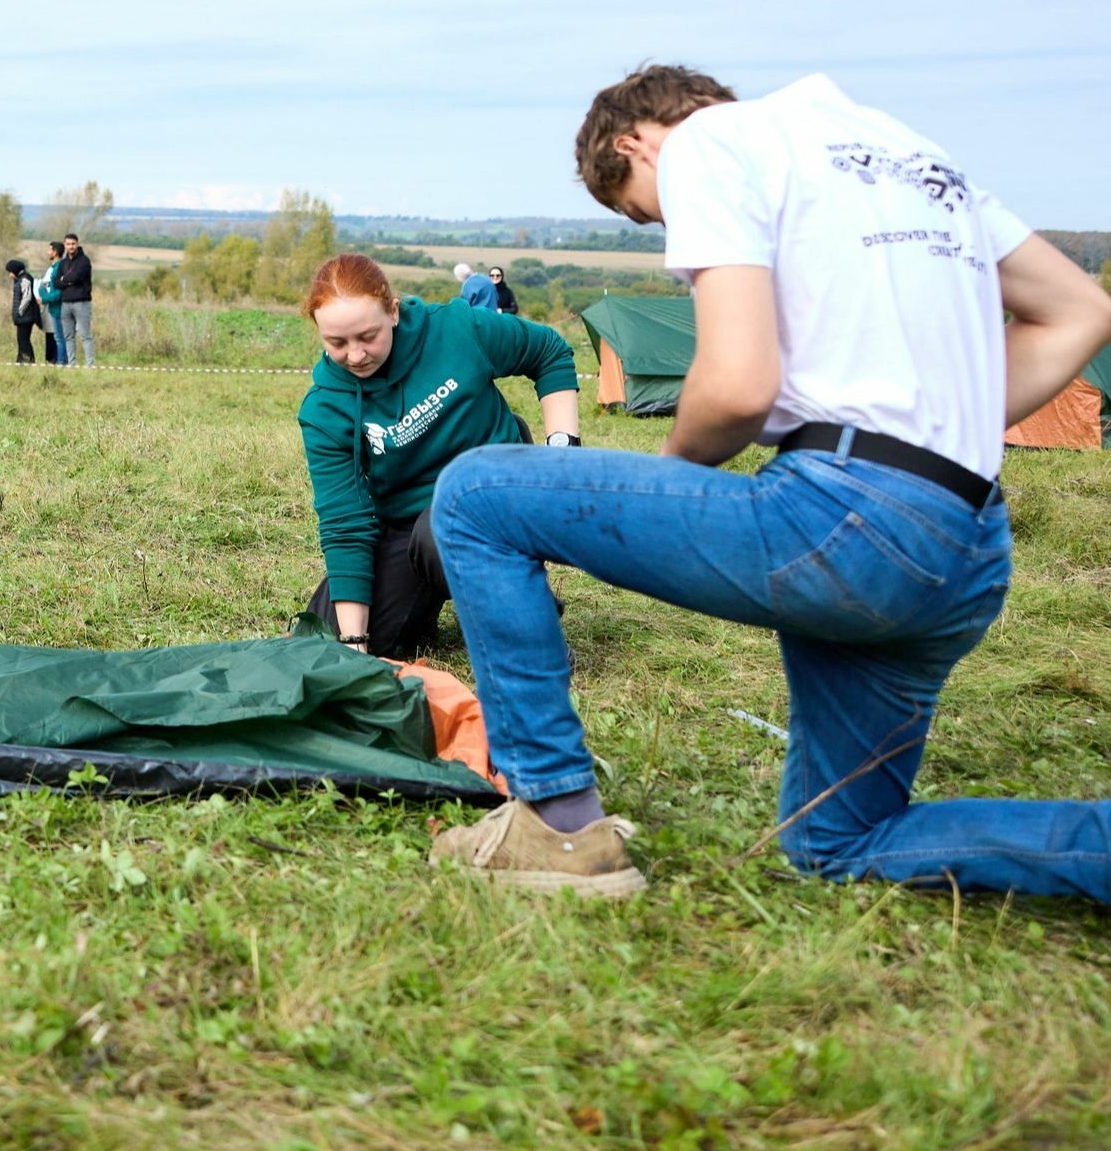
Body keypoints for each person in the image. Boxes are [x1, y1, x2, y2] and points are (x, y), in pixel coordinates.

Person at [429, 65, 1111, 901]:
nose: (671, 224)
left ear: (632, 145)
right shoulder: (908, 151)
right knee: (837, 838)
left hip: (850, 523)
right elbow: (1081, 312)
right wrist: (939, 423)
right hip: (965, 546)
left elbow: (739, 385)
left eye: (649, 210)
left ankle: (558, 828)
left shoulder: (713, 143)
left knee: (476, 495)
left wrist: (662, 495)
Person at [297, 253, 580, 659]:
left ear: (393, 312)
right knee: (325, 641)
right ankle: (430, 596)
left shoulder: (458, 329)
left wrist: (562, 453)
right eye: (337, 343)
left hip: (489, 486)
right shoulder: (325, 410)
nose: (356, 355)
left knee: (445, 526)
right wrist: (355, 644)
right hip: (406, 522)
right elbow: (347, 523)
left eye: (367, 336)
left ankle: (532, 632)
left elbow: (549, 352)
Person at [57, 233, 95, 366]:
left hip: (81, 302)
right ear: (65, 245)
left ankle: (90, 365)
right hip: (65, 303)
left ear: (77, 244)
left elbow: (76, 277)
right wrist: (67, 280)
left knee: (85, 335)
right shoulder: (62, 263)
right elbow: (56, 283)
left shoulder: (84, 261)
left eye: (73, 244)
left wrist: (65, 279)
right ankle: (71, 364)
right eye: (68, 244)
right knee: (68, 336)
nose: (71, 246)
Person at [6, 258, 42, 363]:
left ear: (15, 271)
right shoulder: (20, 279)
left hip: (25, 317)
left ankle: (26, 361)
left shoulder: (25, 280)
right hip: (24, 316)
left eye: (10, 272)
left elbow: (27, 297)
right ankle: (24, 360)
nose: (9, 275)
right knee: (23, 340)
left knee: (23, 340)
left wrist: (19, 313)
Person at [39, 239, 66, 365]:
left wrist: (44, 298)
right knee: (59, 338)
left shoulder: (59, 268)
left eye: (49, 249)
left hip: (59, 308)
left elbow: (58, 292)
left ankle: (62, 363)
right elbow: (45, 286)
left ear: (55, 252)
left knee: (61, 339)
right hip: (53, 308)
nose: (47, 252)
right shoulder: (53, 267)